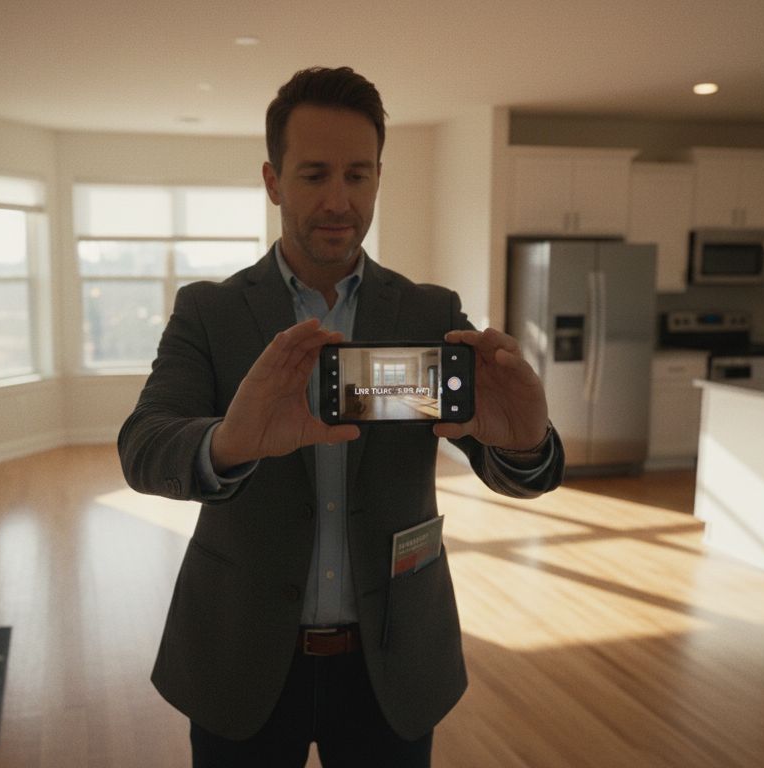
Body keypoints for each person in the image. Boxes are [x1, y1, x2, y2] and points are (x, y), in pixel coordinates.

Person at [118, 66, 565, 768]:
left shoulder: (428, 314)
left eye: (358, 176)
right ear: (273, 181)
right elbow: (143, 446)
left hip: (392, 661)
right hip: (242, 659)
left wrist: (526, 445)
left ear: (379, 178)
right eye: (314, 174)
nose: (338, 200)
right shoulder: (210, 314)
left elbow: (512, 468)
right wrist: (229, 444)